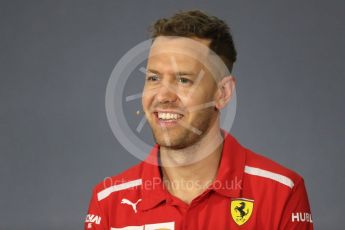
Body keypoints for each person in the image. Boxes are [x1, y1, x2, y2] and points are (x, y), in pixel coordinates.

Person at [85, 10, 313, 229]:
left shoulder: (281, 192)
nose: (163, 96)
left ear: (222, 93)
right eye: (153, 77)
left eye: (183, 80)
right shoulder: (109, 201)